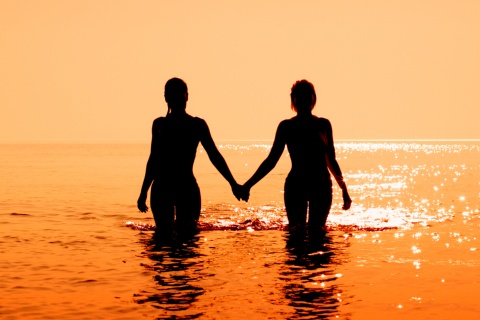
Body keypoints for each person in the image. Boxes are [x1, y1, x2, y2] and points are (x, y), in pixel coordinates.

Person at [239, 80, 352, 233]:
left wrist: (344, 189)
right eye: (301, 96)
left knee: (314, 232)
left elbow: (331, 160)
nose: (304, 100)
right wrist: (248, 185)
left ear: (312, 99)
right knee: (300, 233)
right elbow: (271, 160)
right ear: (295, 100)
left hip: (319, 184)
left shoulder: (323, 125)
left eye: (307, 96)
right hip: (299, 184)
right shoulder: (287, 126)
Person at [137, 77, 242, 236]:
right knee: (174, 237)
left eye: (179, 94)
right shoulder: (160, 125)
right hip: (166, 188)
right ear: (167, 97)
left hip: (183, 188)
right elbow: (154, 160)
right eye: (174, 94)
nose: (177, 98)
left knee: (175, 238)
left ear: (186, 96)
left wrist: (233, 183)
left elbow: (214, 156)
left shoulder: (196, 125)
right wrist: (143, 191)